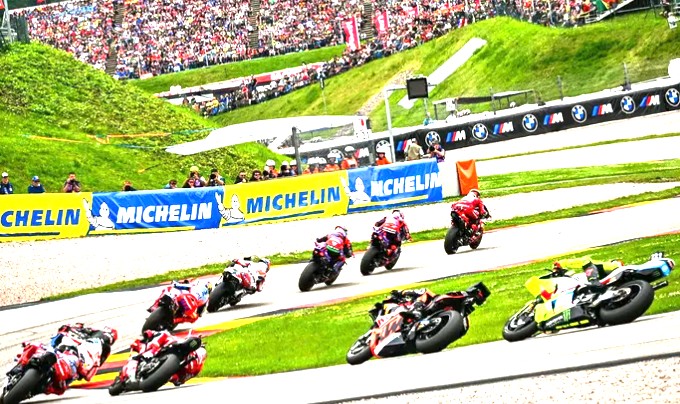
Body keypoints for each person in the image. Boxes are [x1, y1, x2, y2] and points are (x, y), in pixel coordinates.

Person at [48, 323, 118, 394]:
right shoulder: (91, 332)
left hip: (81, 359)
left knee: (61, 388)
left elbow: (96, 366)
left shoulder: (104, 348)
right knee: (56, 340)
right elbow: (68, 329)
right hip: (71, 346)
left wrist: (87, 372)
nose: (106, 338)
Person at [123, 329, 206, 388]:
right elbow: (157, 334)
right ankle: (142, 360)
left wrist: (174, 378)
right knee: (138, 349)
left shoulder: (196, 360)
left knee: (176, 378)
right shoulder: (173, 339)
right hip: (155, 350)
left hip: (173, 370)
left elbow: (183, 379)